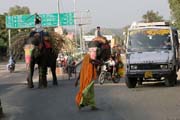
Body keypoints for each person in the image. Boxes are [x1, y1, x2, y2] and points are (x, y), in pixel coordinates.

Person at [75, 43, 99, 111]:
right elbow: (82, 70)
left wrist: (77, 80)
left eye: (95, 52)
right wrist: (77, 80)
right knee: (85, 92)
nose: (94, 53)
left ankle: (93, 106)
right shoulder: (88, 58)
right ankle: (79, 102)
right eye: (93, 51)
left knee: (91, 92)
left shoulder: (90, 60)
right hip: (87, 80)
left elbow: (94, 62)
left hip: (91, 79)